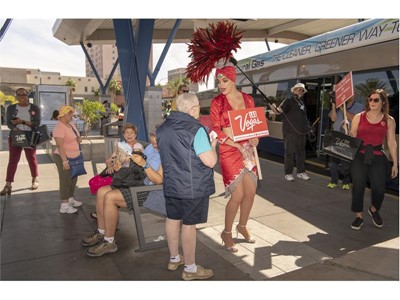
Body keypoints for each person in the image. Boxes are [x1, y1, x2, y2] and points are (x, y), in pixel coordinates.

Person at [157, 92, 217, 280]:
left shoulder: (162, 128)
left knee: (172, 219)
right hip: (192, 187)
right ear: (193, 109)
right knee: (189, 226)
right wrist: (213, 145)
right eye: (198, 106)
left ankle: (174, 258)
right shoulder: (196, 129)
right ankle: (190, 269)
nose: (199, 109)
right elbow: (210, 161)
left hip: (172, 185)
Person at [81, 123, 157, 257]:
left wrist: (142, 163)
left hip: (144, 187)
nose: (153, 140)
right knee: (101, 192)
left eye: (157, 137)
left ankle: (109, 241)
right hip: (133, 180)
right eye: (152, 136)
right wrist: (114, 163)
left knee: (110, 197)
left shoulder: (162, 152)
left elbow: (157, 178)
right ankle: (101, 232)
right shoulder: (150, 147)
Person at [210, 66, 259, 253]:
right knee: (237, 195)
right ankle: (227, 232)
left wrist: (256, 139)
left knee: (251, 192)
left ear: (233, 80)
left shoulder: (248, 99)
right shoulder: (217, 103)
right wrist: (236, 145)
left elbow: (254, 123)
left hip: (248, 150)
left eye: (224, 81)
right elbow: (216, 129)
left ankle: (242, 225)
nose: (221, 85)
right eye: (218, 81)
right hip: (229, 151)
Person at [349, 89, 398, 230]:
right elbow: (352, 136)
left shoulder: (388, 120)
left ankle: (374, 209)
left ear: (383, 102)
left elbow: (391, 142)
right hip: (359, 155)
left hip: (377, 155)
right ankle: (359, 216)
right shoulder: (359, 117)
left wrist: (395, 163)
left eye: (376, 100)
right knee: (358, 187)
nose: (372, 102)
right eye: (370, 99)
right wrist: (347, 130)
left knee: (379, 189)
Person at [1, 88, 41, 196]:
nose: (22, 96)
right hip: (15, 135)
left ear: (28, 96)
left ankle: (34, 179)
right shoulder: (11, 108)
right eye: (19, 95)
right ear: (16, 97)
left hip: (30, 136)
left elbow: (36, 124)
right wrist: (14, 128)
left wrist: (22, 122)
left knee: (31, 159)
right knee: (13, 160)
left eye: (24, 94)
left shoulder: (34, 108)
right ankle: (8, 185)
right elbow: (9, 123)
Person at [270, 82, 311, 181]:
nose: (300, 91)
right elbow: (278, 111)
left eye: (302, 90)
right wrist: (273, 107)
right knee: (289, 153)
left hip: (301, 132)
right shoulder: (288, 101)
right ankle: (288, 173)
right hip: (290, 132)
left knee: (301, 153)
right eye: (298, 89)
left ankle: (301, 172)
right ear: (293, 90)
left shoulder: (302, 103)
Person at [327, 94, 364, 189]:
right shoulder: (340, 105)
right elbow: (333, 118)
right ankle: (333, 181)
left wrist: (343, 110)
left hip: (349, 137)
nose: (349, 96)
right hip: (336, 136)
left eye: (351, 94)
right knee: (333, 162)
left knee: (346, 162)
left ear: (354, 96)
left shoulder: (360, 107)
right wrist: (334, 106)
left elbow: (354, 118)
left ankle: (346, 182)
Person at [52, 106, 83, 214]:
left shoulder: (71, 125)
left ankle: (70, 199)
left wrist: (79, 139)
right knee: (65, 180)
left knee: (73, 178)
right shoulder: (59, 127)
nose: (72, 116)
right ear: (64, 114)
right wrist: (64, 161)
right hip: (63, 157)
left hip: (74, 156)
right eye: (70, 114)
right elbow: (60, 146)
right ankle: (64, 205)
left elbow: (75, 137)